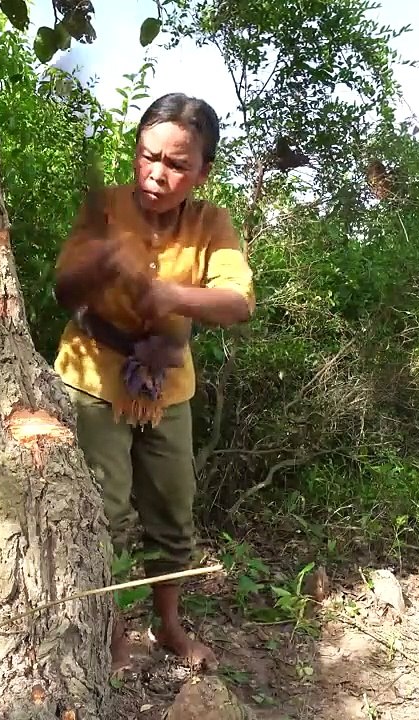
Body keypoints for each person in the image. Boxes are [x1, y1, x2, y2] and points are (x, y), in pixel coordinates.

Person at [51, 92, 255, 673]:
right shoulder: (107, 208)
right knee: (103, 514)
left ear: (203, 172)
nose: (156, 174)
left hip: (168, 384)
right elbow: (64, 290)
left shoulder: (211, 223)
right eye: (147, 156)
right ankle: (112, 631)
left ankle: (168, 626)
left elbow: (238, 302)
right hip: (92, 376)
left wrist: (166, 294)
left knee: (172, 512)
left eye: (176, 165)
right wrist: (100, 262)